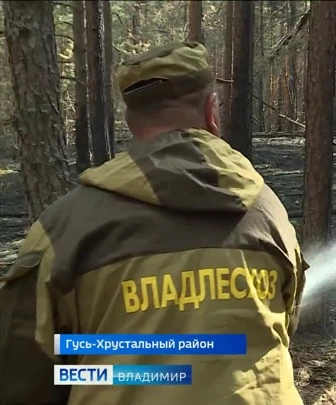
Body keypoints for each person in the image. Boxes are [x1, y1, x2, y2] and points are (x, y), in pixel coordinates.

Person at [0, 41, 308, 405]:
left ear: (131, 122)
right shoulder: (268, 211)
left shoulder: (64, 227)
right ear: (212, 113)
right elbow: (283, 324)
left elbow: (22, 373)